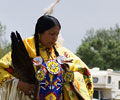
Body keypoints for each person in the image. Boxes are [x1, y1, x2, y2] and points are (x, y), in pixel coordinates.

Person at [0, 1, 93, 100]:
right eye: (52, 34)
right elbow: (1, 68)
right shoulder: (26, 49)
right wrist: (19, 84)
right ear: (40, 33)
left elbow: (84, 71)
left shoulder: (62, 53)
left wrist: (72, 78)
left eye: (57, 34)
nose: (55, 38)